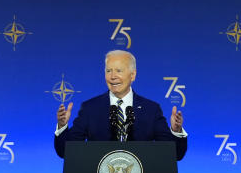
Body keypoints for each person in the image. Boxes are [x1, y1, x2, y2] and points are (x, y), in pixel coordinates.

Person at [54, 50, 187, 160]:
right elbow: (65, 152)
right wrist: (62, 126)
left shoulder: (151, 109)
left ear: (132, 75)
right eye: (108, 71)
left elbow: (174, 155)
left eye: (118, 70)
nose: (112, 76)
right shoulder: (90, 108)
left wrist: (176, 132)